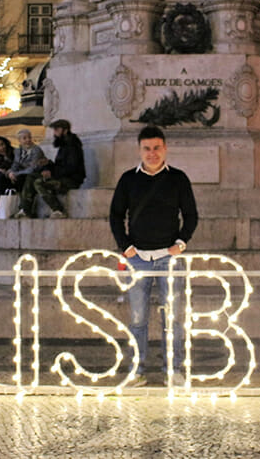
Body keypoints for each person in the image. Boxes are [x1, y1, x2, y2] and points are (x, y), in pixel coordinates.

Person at [109, 125, 198, 387]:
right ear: (139, 150)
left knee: (174, 318)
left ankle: (175, 369)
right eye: (147, 148)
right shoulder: (128, 179)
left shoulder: (178, 178)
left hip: (169, 258)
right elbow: (116, 214)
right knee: (137, 318)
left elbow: (191, 214)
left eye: (157, 148)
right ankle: (137, 370)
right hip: (137, 259)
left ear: (165, 148)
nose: (152, 153)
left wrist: (180, 244)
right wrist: (125, 247)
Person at [15, 119, 86, 219]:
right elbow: (61, 166)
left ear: (65, 130)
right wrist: (48, 163)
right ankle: (25, 209)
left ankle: (58, 210)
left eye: (57, 130)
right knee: (31, 177)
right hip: (62, 176)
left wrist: (51, 173)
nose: (55, 133)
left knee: (39, 182)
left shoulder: (72, 146)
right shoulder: (64, 145)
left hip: (70, 180)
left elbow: (71, 168)